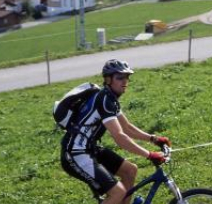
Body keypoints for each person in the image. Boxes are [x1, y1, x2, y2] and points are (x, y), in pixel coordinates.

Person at [60, 59, 171, 204]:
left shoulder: (110, 99)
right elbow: (119, 136)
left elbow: (127, 127)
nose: (124, 81)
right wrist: (149, 154)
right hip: (75, 154)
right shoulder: (104, 99)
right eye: (120, 77)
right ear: (108, 79)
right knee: (118, 193)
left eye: (127, 77)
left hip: (90, 149)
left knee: (130, 171)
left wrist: (153, 139)